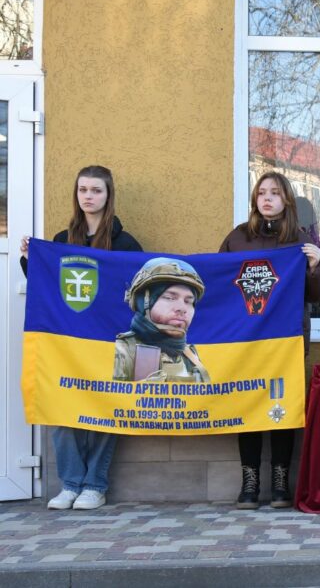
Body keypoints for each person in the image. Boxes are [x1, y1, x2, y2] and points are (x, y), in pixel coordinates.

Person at [19, 165, 143, 510]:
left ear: (108, 195)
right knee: (61, 409)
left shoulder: (125, 243)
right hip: (67, 343)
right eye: (83, 190)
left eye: (96, 190)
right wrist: (31, 260)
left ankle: (94, 486)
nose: (88, 196)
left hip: (109, 342)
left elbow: (139, 289)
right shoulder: (61, 240)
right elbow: (47, 287)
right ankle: (70, 484)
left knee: (106, 410)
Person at [219, 171, 320, 509]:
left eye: (275, 193)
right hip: (247, 340)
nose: (267, 198)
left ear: (286, 200)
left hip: (286, 340)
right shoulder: (238, 238)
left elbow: (317, 296)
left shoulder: (299, 241)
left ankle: (281, 481)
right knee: (248, 406)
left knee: (282, 408)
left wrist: (315, 266)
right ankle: (249, 481)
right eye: (262, 192)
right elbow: (219, 284)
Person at [113, 257, 209, 383]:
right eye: (170, 298)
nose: (182, 308)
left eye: (188, 301)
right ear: (144, 302)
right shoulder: (122, 351)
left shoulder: (190, 355)